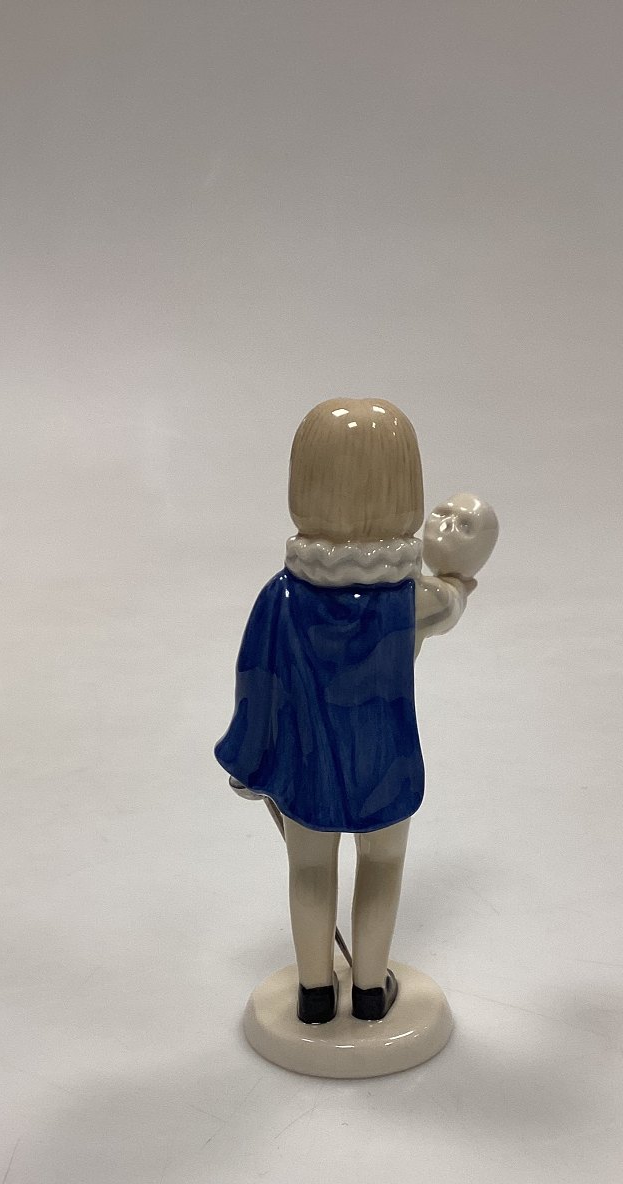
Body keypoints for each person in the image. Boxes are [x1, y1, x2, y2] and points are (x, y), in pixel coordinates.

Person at [215, 398, 488, 1025]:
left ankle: (314, 991)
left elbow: (256, 680)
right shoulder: (415, 598)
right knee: (383, 862)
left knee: (310, 868)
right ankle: (368, 988)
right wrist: (464, 567)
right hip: (384, 761)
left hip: (307, 762)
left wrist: (248, 759)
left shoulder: (281, 596)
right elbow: (456, 595)